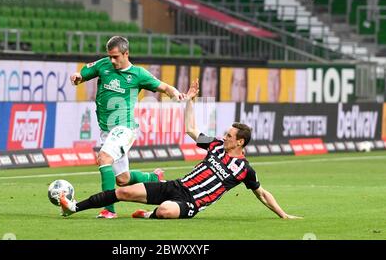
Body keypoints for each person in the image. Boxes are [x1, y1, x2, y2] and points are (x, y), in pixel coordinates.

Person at [59, 79, 302, 220]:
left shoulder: (244, 170)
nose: (224, 137)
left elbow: (262, 193)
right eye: (226, 134)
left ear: (240, 142)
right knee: (123, 192)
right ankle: (73, 207)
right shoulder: (215, 146)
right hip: (175, 186)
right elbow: (191, 130)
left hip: (191, 203)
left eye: (229, 136)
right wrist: (190, 102)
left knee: (164, 211)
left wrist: (283, 214)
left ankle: (148, 215)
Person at [70, 36, 186, 218]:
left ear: (126, 53)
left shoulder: (139, 74)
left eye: (116, 57)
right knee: (122, 179)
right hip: (106, 131)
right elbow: (84, 72)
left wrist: (177, 94)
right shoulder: (103, 65)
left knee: (104, 159)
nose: (112, 60)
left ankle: (109, 210)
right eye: (110, 56)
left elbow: (164, 87)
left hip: (124, 129)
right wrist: (78, 77)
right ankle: (152, 178)